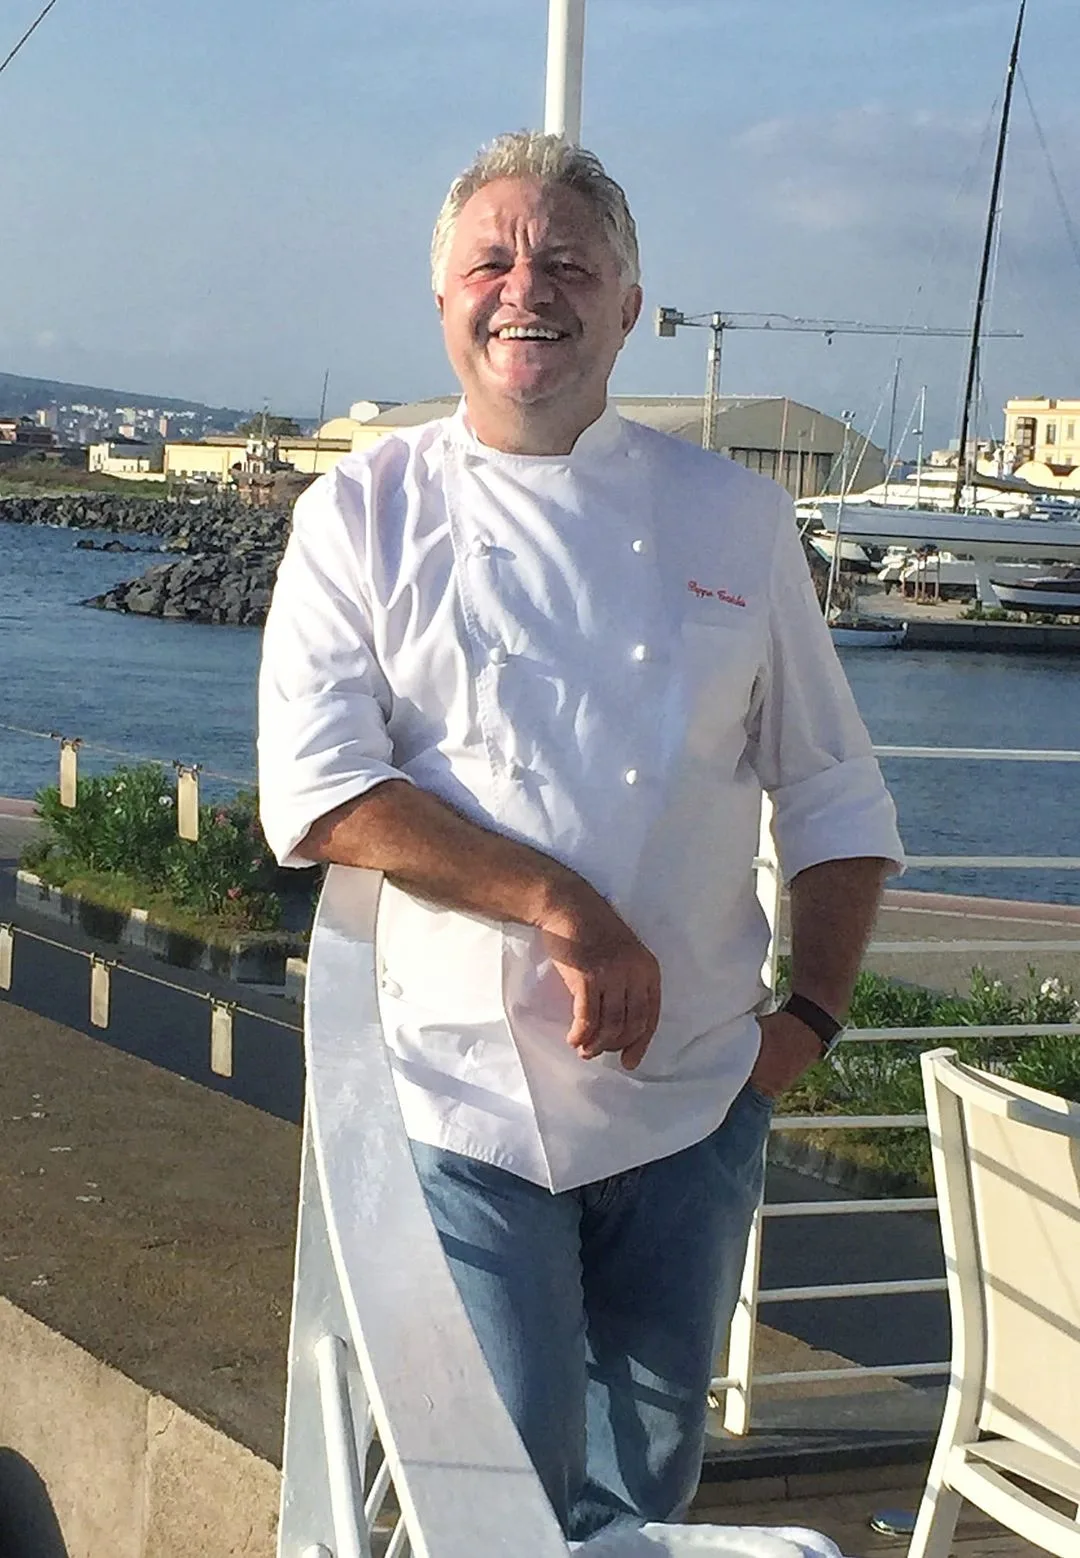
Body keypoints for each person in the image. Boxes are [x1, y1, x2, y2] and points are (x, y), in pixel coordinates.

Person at [258, 131, 904, 1541]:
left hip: (691, 1103)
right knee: (498, 1493)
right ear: (443, 298)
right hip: (460, 1100)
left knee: (647, 1491)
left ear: (628, 306)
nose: (526, 288)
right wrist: (567, 905)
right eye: (491, 260)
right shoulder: (361, 513)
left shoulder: (736, 518)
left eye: (567, 262)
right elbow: (319, 791)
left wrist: (809, 1017)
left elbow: (833, 791)